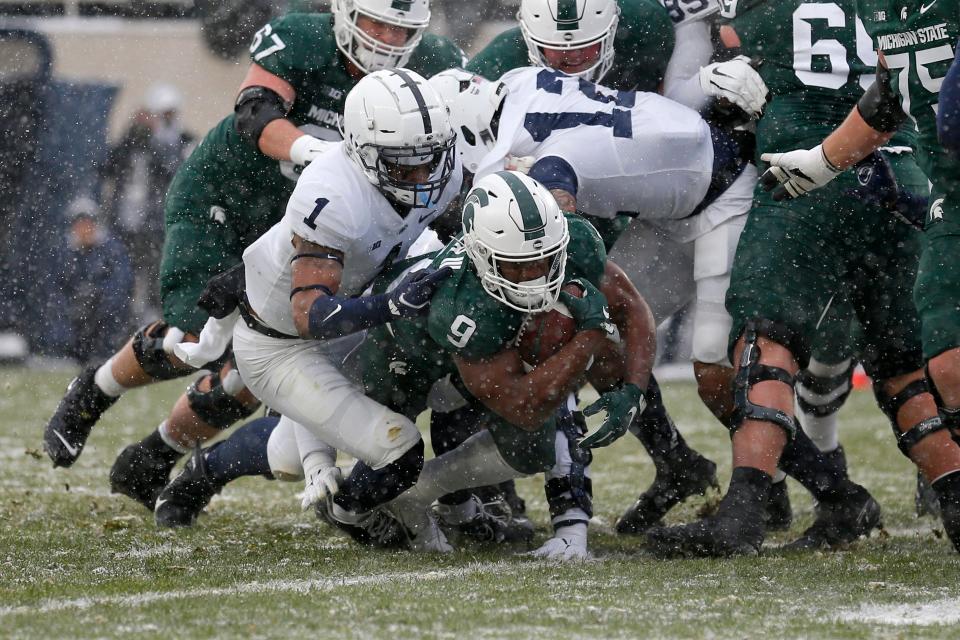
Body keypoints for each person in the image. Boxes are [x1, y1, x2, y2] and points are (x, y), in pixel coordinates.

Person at [41, 0, 466, 514]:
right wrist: (310, 151)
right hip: (234, 196)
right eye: (377, 23)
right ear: (345, 14)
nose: (388, 41)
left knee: (259, 361)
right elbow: (255, 113)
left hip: (316, 224)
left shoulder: (436, 62)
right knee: (197, 336)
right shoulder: (303, 41)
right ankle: (95, 388)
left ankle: (157, 454)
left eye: (402, 30)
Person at [643, 0, 960, 557]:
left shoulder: (752, 17)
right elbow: (888, 92)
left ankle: (744, 511)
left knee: (767, 344)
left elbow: (714, 60)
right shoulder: (882, 11)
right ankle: (953, 498)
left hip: (803, 174)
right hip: (900, 169)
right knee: (907, 366)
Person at [163, 68, 462, 550]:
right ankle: (351, 515)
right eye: (405, 165)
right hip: (283, 345)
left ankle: (208, 469)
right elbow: (312, 317)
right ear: (363, 152)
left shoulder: (439, 173)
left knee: (289, 450)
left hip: (355, 312)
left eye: (430, 159)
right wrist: (392, 304)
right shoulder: (334, 192)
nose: (424, 177)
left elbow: (452, 226)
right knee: (398, 449)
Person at [751, 0, 960, 552]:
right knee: (946, 365)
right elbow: (891, 96)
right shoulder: (882, 9)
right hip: (953, 202)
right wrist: (823, 161)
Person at [101, 83, 194, 315]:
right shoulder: (135, 139)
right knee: (122, 275)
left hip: (160, 224)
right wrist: (132, 132)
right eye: (162, 114)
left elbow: (177, 171)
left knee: (156, 274)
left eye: (170, 114)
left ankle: (152, 318)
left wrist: (155, 143)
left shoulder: (183, 141)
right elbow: (108, 167)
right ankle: (122, 317)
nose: (166, 120)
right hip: (126, 223)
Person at [62, 197, 134, 365]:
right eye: (79, 224)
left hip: (104, 321)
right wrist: (74, 306)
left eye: (88, 223)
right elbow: (56, 291)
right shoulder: (65, 254)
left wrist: (96, 300)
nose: (84, 229)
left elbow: (121, 286)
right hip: (75, 323)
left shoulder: (111, 251)